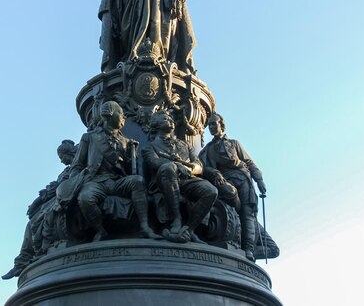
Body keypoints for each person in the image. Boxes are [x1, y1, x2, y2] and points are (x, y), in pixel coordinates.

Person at [70, 101, 161, 241]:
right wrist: (77, 183)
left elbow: (129, 171)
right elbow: (77, 165)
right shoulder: (89, 137)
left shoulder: (125, 141)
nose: (124, 118)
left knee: (137, 181)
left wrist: (132, 155)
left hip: (116, 181)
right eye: (121, 114)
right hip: (96, 181)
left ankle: (144, 227)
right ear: (110, 114)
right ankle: (100, 230)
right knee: (85, 197)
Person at [1, 139, 77, 280]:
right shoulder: (66, 170)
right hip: (59, 196)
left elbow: (64, 184)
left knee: (44, 217)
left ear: (69, 153)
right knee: (31, 223)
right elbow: (54, 186)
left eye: (62, 157)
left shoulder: (79, 164)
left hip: (69, 195)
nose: (61, 161)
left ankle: (41, 251)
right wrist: (37, 201)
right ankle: (22, 260)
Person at [199, 113, 267, 261]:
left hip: (242, 180)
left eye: (214, 124)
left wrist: (259, 179)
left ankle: (248, 250)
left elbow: (249, 162)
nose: (211, 127)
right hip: (223, 182)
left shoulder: (234, 144)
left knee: (247, 213)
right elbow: (202, 168)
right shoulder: (206, 150)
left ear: (221, 125)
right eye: (209, 124)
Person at [142, 110, 217, 243]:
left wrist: (189, 168)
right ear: (155, 124)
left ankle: (189, 229)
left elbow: (199, 165)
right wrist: (176, 165)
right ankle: (177, 218)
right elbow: (155, 162)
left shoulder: (185, 144)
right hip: (165, 180)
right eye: (165, 118)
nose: (170, 120)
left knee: (211, 191)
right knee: (168, 168)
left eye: (171, 118)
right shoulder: (149, 147)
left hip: (188, 179)